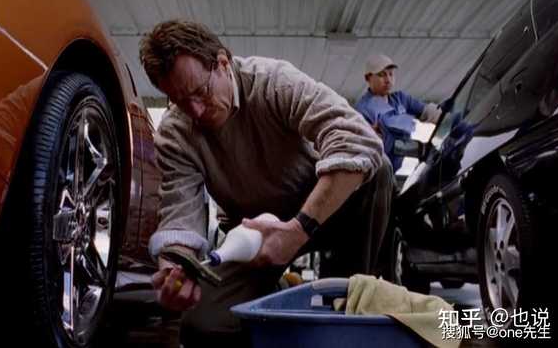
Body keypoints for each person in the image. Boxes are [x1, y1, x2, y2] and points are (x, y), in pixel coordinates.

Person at [139, 20, 393, 347]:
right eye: (180, 101)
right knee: (203, 325)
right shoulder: (175, 133)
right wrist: (174, 269)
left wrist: (298, 229)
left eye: (200, 92)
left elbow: (358, 139)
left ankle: (350, 299)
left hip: (321, 210)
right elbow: (180, 214)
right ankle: (279, 294)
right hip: (253, 238)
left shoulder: (272, 81)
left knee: (378, 170)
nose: (196, 111)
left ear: (222, 63)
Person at [355, 54, 442, 172]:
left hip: (393, 170)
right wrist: (419, 149)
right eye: (381, 75)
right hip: (376, 172)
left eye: (391, 74)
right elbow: (380, 145)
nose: (388, 80)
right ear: (368, 78)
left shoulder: (401, 99)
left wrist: (446, 114)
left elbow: (429, 112)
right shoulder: (363, 110)